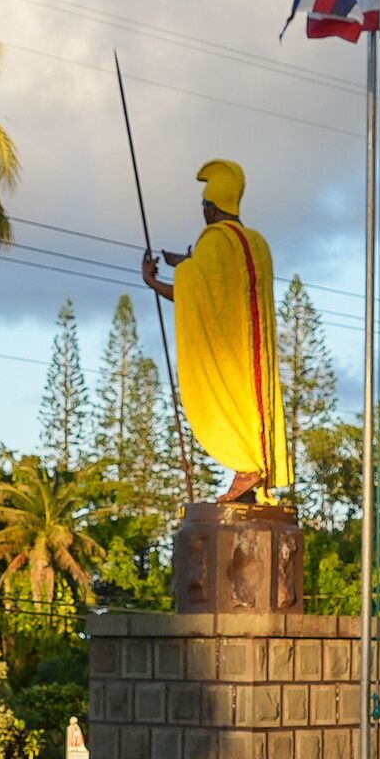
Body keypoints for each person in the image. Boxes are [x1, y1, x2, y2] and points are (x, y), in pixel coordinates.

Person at [142, 159, 291, 504]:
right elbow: (226, 279)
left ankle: (246, 468)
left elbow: (192, 293)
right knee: (256, 408)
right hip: (256, 356)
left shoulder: (215, 241)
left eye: (203, 207)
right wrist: (187, 264)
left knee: (228, 404)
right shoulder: (257, 243)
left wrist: (152, 280)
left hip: (231, 358)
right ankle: (255, 471)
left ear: (211, 208)